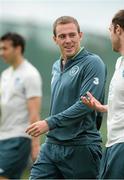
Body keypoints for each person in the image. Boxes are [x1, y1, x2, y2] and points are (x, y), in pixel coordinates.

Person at [26, 16, 106, 179]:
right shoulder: (56, 66)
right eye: (62, 36)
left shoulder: (93, 63)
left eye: (72, 35)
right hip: (52, 146)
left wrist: (49, 122)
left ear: (80, 35)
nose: (68, 40)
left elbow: (85, 104)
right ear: (55, 39)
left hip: (81, 146)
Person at [81, 9, 124, 179]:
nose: (109, 35)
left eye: (110, 30)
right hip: (114, 144)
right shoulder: (119, 62)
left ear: (118, 30)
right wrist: (102, 107)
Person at [0, 32, 42, 179]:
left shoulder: (30, 74)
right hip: (3, 137)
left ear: (17, 49)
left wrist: (35, 145)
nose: (1, 53)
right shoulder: (5, 74)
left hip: (18, 138)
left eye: (5, 48)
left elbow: (34, 113)